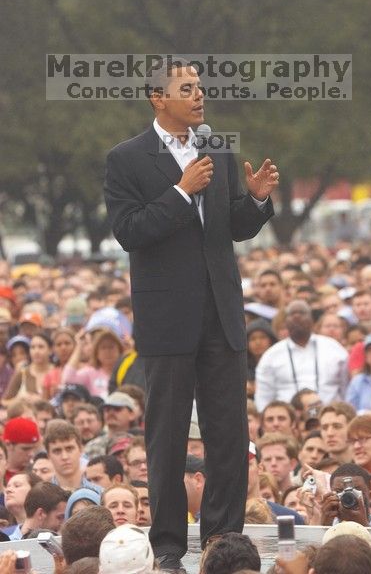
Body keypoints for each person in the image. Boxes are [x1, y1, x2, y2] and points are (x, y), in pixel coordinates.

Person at [104, 57, 279, 570]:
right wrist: (181, 191)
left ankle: (223, 543)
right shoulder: (127, 159)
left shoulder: (218, 148)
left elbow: (232, 226)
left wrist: (258, 201)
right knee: (167, 437)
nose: (199, 95)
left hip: (221, 312)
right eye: (187, 88)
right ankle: (168, 550)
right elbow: (129, 231)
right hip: (167, 319)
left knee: (228, 435)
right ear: (159, 98)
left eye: (200, 87)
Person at [255, 300, 348, 410]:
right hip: (289, 421)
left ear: (312, 320)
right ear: (286, 322)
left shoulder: (334, 348)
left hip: (329, 417)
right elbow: (264, 397)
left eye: (302, 313)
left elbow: (346, 387)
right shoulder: (271, 356)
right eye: (292, 314)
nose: (297, 317)